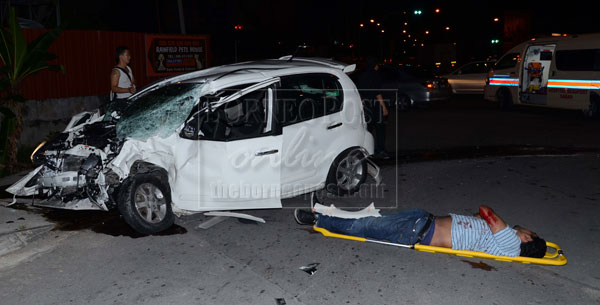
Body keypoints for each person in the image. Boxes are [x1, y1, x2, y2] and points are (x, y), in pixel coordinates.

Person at [294, 205, 547, 258]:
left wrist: (496, 220)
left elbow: (486, 211)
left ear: (527, 237)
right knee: (372, 220)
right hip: (422, 220)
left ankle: (319, 219)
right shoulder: (505, 240)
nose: (523, 228)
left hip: (417, 231)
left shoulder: (513, 244)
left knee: (365, 227)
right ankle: (328, 214)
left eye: (528, 230)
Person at [356, 56, 389, 160]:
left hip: (366, 104)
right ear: (375, 65)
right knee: (380, 128)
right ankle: (380, 150)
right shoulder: (375, 75)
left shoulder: (362, 75)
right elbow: (377, 92)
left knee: (368, 128)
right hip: (375, 104)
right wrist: (384, 107)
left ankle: (366, 151)